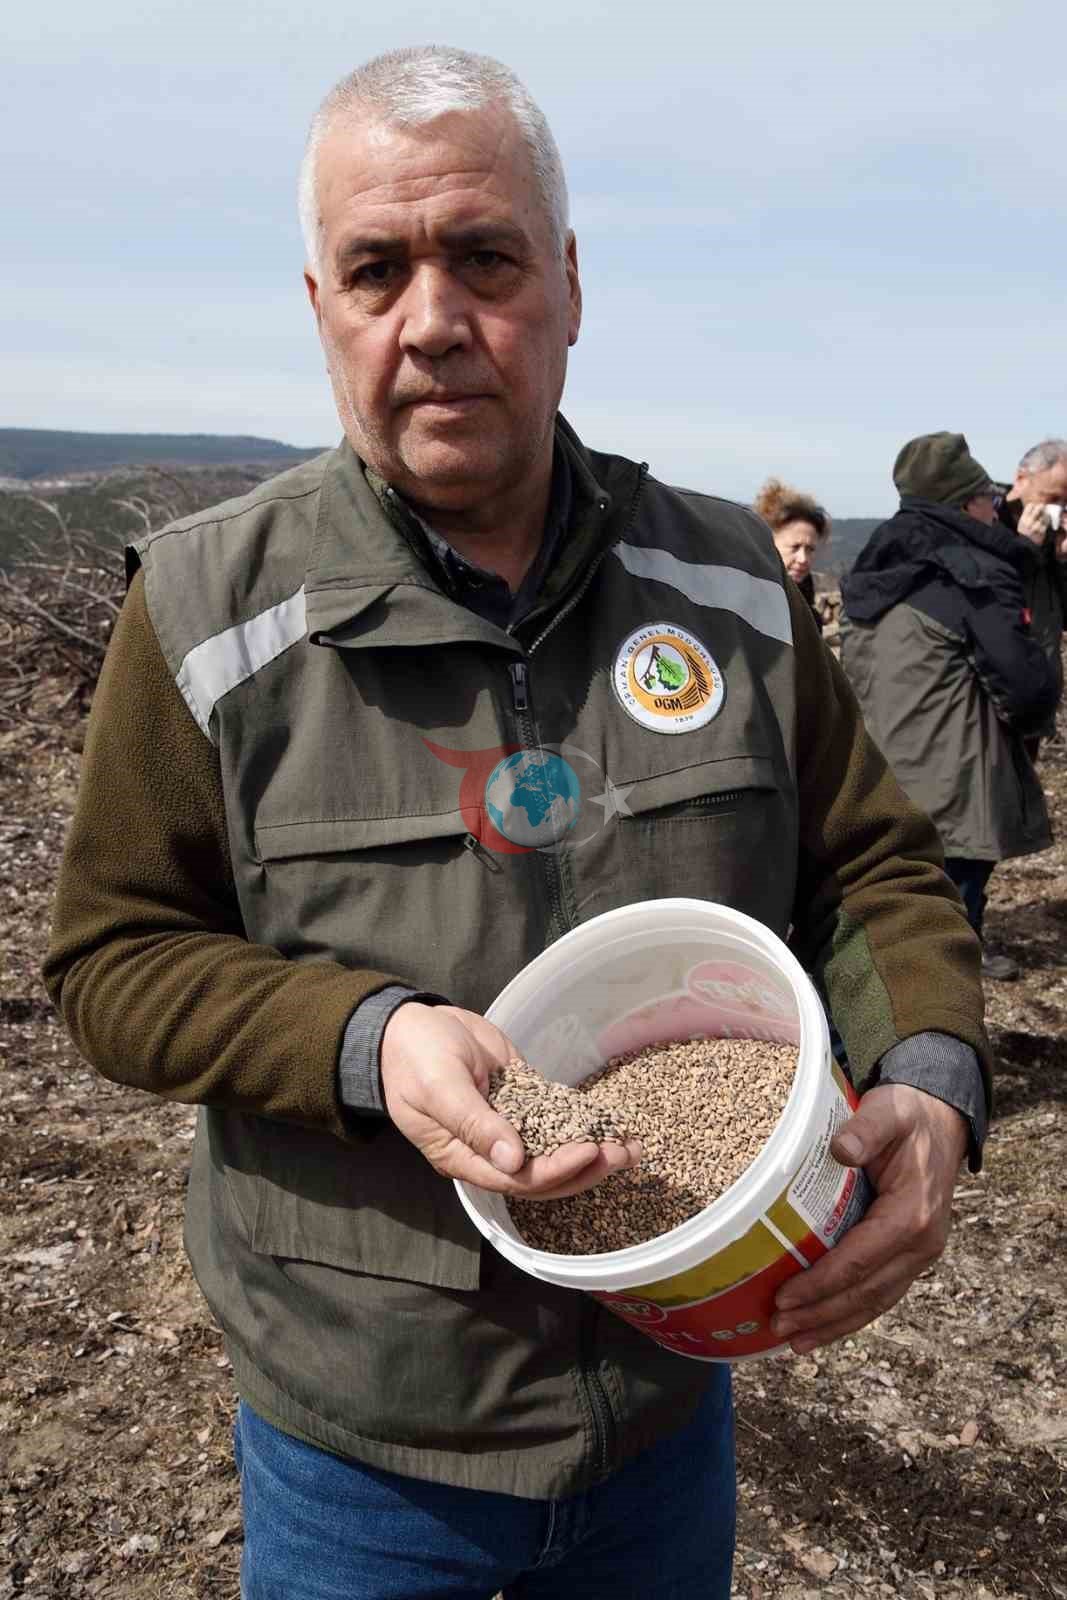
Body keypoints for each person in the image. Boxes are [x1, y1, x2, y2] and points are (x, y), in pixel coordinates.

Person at [45, 49, 993, 1600]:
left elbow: (871, 865)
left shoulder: (729, 584)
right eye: (375, 270)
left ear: (564, 282)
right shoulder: (211, 610)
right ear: (320, 307)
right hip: (362, 1442)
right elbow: (113, 957)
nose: (431, 320)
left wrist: (933, 1079)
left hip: (665, 1405)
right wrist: (367, 1038)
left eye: (481, 258)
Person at [840, 431, 1057, 984]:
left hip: (885, 760)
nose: (997, 503)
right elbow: (1024, 683)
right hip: (955, 767)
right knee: (955, 892)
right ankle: (946, 999)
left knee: (902, 897)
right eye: (988, 495)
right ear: (968, 503)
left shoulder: (878, 560)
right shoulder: (974, 571)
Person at [996, 439, 1067, 755]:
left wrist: (1063, 559)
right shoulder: (987, 524)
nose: (1057, 509)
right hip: (997, 694)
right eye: (1051, 497)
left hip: (1038, 685)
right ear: (1021, 479)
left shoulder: (1054, 531)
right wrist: (1023, 547)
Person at [754, 477, 831, 630]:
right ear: (767, 543)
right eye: (794, 547)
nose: (803, 559)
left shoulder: (808, 614)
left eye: (810, 549)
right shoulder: (746, 608)